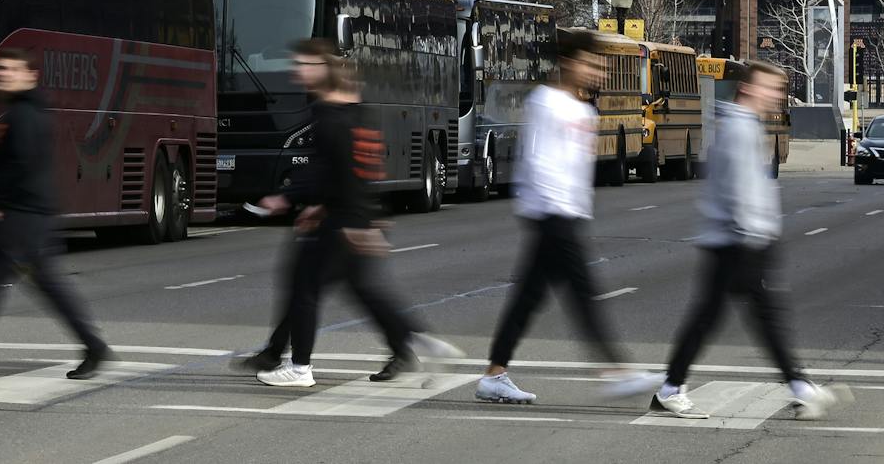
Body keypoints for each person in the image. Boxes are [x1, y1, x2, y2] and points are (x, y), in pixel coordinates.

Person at [635, 60, 843, 421]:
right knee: (759, 318)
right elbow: (737, 189)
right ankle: (800, 387)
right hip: (739, 241)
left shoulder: (741, 125)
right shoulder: (737, 128)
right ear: (748, 89)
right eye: (770, 88)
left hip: (736, 239)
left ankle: (672, 388)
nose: (776, 96)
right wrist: (755, 234)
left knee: (722, 318)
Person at [253, 39, 459, 388]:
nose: (298, 72)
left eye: (305, 65)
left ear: (324, 68)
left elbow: (338, 170)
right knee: (363, 289)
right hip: (347, 213)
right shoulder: (351, 108)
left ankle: (300, 367)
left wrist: (297, 201)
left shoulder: (330, 114)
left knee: (305, 286)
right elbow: (352, 167)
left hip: (344, 218)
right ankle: (418, 342)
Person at [475, 28, 654, 405]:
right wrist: (556, 211)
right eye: (592, 65)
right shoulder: (546, 103)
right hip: (551, 212)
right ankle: (614, 369)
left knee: (528, 298)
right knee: (583, 293)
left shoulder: (581, 108)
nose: (599, 73)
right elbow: (538, 161)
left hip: (566, 213)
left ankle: (494, 374)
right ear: (571, 64)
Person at [0, 48, 110, 380]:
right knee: (19, 283)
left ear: (30, 76)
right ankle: (92, 346)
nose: (1, 74)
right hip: (31, 214)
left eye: (10, 69)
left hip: (22, 216)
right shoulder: (25, 110)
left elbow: (21, 165)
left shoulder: (23, 115)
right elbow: (9, 159)